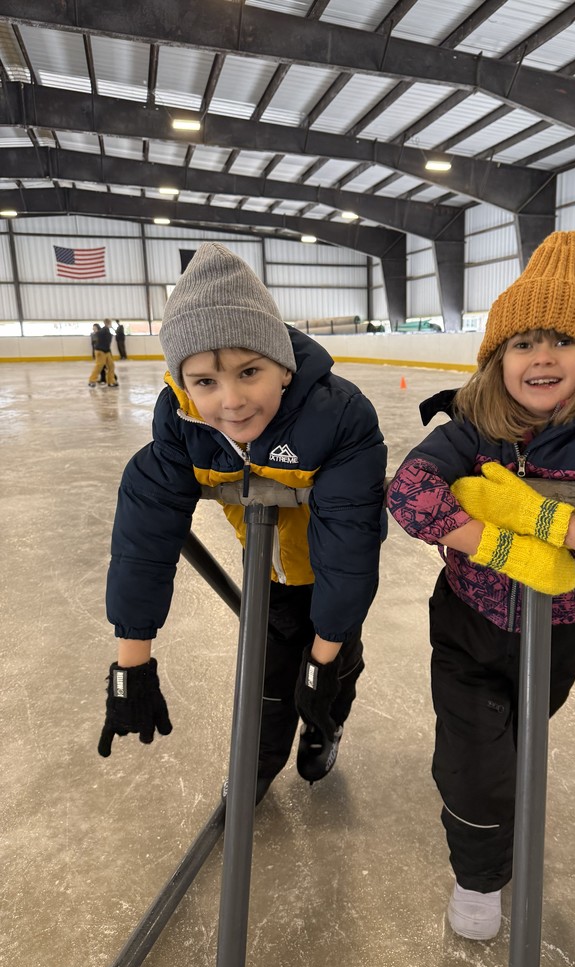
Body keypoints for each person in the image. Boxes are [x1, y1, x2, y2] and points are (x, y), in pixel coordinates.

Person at [386, 230, 575, 941]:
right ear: (498, 360)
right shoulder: (474, 426)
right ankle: (479, 878)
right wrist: (494, 542)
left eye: (562, 341)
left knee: (516, 747)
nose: (542, 356)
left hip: (561, 632)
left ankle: (495, 824)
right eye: (523, 343)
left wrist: (546, 519)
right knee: (473, 762)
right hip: (466, 625)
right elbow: (409, 495)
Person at [98, 242, 387, 807]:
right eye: (204, 381)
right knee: (268, 681)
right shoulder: (182, 427)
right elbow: (144, 537)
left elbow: (350, 544)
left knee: (330, 668)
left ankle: (325, 725)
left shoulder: (339, 418)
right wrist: (132, 663)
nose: (230, 400)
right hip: (274, 581)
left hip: (332, 577)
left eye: (248, 371)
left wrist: (322, 659)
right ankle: (255, 767)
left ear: (282, 365)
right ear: (183, 382)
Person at [88, 317, 117, 387]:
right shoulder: (103, 330)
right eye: (110, 323)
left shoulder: (107, 330)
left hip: (106, 351)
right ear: (108, 323)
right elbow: (97, 335)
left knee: (111, 366)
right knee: (99, 366)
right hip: (101, 351)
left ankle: (111, 381)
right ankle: (92, 381)